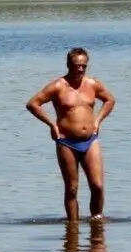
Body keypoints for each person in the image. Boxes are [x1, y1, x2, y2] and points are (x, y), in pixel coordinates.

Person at [26, 47, 116, 223]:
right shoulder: (58, 86)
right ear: (69, 65)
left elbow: (110, 100)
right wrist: (52, 124)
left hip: (90, 141)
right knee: (72, 188)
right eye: (77, 65)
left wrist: (97, 121)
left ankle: (96, 223)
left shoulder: (92, 84)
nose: (80, 69)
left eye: (84, 66)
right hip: (67, 142)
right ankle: (73, 227)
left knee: (97, 186)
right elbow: (33, 104)